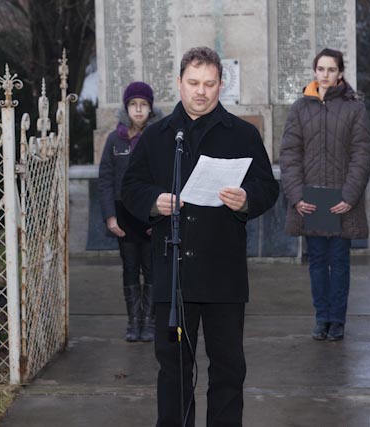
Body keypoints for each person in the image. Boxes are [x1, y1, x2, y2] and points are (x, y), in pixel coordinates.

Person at [122, 47, 278, 426]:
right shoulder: (157, 136)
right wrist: (154, 202)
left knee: (228, 368)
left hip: (223, 270)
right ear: (179, 83)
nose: (201, 92)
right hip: (172, 271)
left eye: (209, 84)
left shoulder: (243, 134)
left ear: (221, 85)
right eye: (193, 83)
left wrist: (246, 199)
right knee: (173, 369)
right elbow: (130, 187)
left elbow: (267, 187)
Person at [279, 48, 370, 342]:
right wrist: (296, 196)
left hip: (341, 201)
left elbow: (362, 154)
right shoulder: (300, 109)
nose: (325, 74)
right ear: (314, 71)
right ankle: (322, 319)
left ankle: (337, 320)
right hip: (310, 201)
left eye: (331, 69)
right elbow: (289, 154)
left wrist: (350, 196)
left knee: (340, 262)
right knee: (317, 262)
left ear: (340, 73)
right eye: (321, 69)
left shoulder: (354, 109)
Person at [98, 81, 163, 342]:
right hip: (123, 216)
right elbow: (105, 178)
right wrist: (110, 216)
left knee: (152, 268)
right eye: (133, 104)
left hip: (150, 214)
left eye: (143, 104)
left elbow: (166, 178)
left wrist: (159, 217)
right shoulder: (115, 139)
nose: (138, 110)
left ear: (150, 108)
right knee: (130, 267)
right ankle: (133, 322)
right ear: (126, 108)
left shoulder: (158, 138)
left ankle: (149, 322)